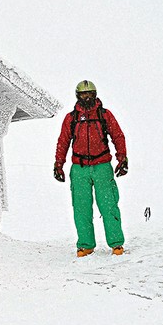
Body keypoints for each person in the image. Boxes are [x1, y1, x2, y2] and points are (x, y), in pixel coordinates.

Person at [54, 80, 128, 257]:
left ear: (95, 95)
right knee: (81, 208)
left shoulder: (104, 115)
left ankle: (116, 243)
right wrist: (59, 164)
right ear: (77, 96)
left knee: (109, 205)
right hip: (79, 169)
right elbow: (63, 141)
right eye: (83, 94)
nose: (87, 97)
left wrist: (122, 159)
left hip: (102, 166)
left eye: (90, 94)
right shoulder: (71, 118)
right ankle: (86, 244)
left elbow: (118, 136)